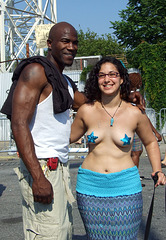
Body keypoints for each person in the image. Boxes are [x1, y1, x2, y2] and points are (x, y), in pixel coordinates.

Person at [0, 22, 144, 239]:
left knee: (63, 233)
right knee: (47, 234)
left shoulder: (64, 82)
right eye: (65, 41)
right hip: (42, 167)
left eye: (75, 42)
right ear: (50, 44)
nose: (71, 47)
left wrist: (125, 97)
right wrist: (37, 177)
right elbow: (19, 124)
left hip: (60, 168)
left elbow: (91, 103)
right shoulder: (36, 71)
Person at [70, 56, 166, 239]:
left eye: (113, 74)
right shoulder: (86, 111)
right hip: (90, 187)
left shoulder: (134, 113)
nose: (107, 80)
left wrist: (157, 170)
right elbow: (67, 137)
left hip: (126, 187)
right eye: (102, 75)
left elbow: (151, 142)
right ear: (96, 79)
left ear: (122, 79)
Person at [129, 72, 162, 168]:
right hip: (135, 126)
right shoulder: (136, 95)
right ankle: (134, 175)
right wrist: (155, 132)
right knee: (136, 152)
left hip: (124, 126)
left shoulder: (123, 95)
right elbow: (143, 115)